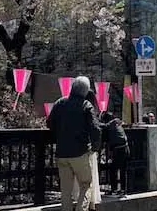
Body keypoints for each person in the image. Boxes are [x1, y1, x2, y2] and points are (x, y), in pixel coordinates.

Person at [47, 76, 102, 211]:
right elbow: (96, 129)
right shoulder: (86, 105)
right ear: (85, 91)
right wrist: (94, 147)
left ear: (72, 88)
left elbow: (49, 123)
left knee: (66, 190)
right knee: (85, 184)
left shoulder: (60, 103)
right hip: (80, 153)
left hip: (61, 153)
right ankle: (81, 209)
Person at [72, 89, 103, 210]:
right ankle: (90, 204)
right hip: (89, 148)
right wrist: (95, 146)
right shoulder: (90, 109)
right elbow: (95, 128)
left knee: (79, 178)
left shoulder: (76, 109)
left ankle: (80, 200)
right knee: (90, 178)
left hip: (75, 148)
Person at [101, 111, 130, 195]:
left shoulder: (110, 124)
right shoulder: (117, 123)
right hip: (125, 148)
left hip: (118, 150)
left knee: (113, 169)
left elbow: (104, 130)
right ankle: (123, 189)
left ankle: (113, 189)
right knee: (123, 170)